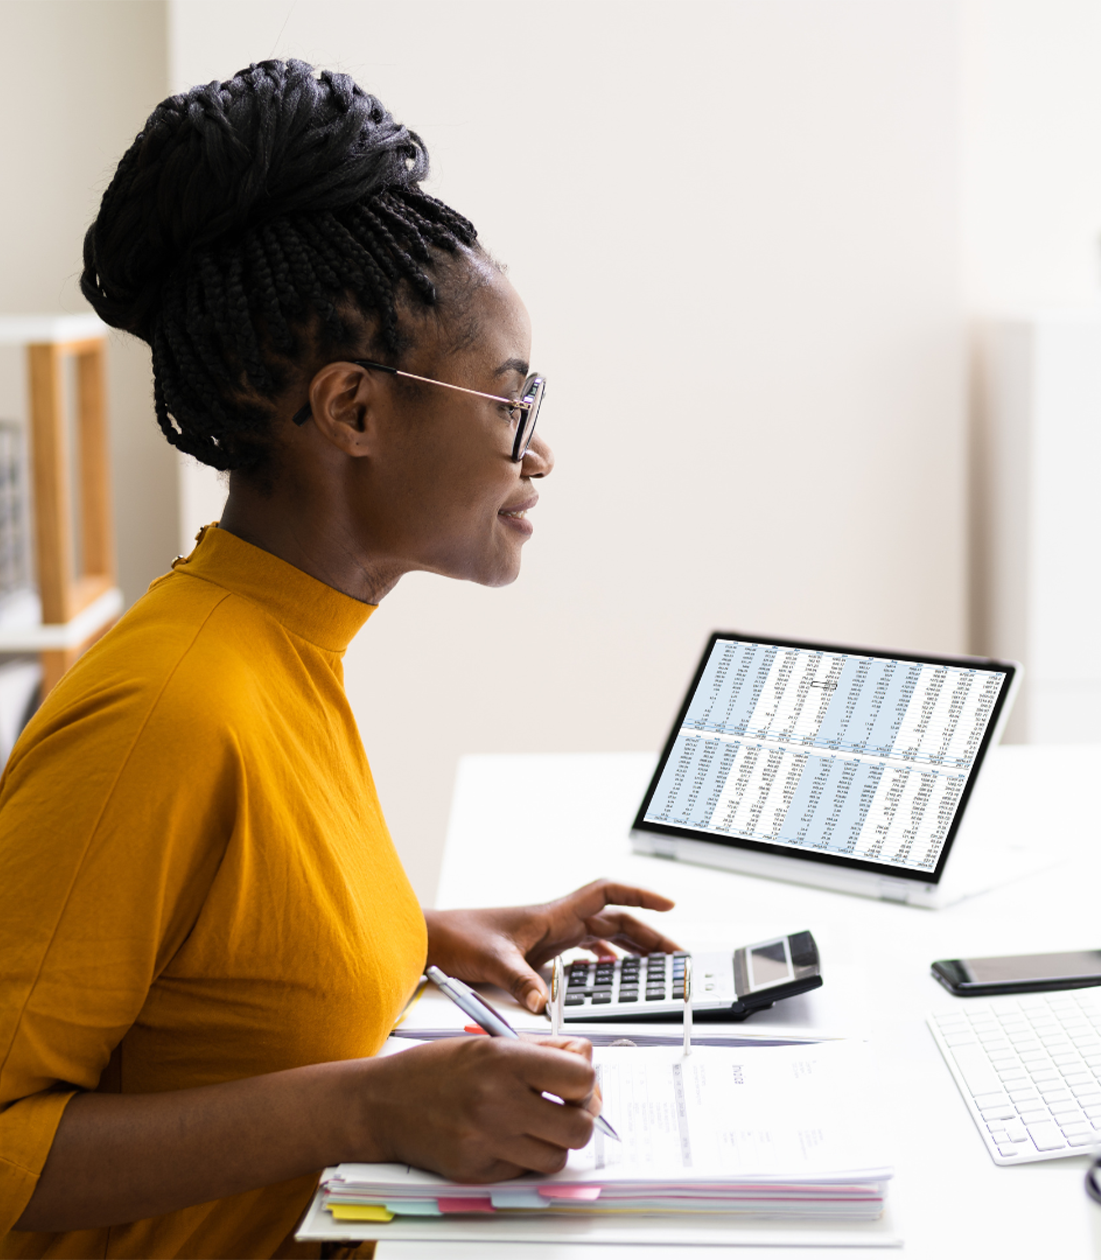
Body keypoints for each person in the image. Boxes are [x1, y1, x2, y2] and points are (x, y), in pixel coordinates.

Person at [0, 59, 677, 1259]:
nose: (537, 453)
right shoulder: (167, 711)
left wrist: (421, 937)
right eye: (508, 404)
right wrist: (366, 1106)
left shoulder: (282, 648)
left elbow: (223, 970)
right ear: (352, 411)